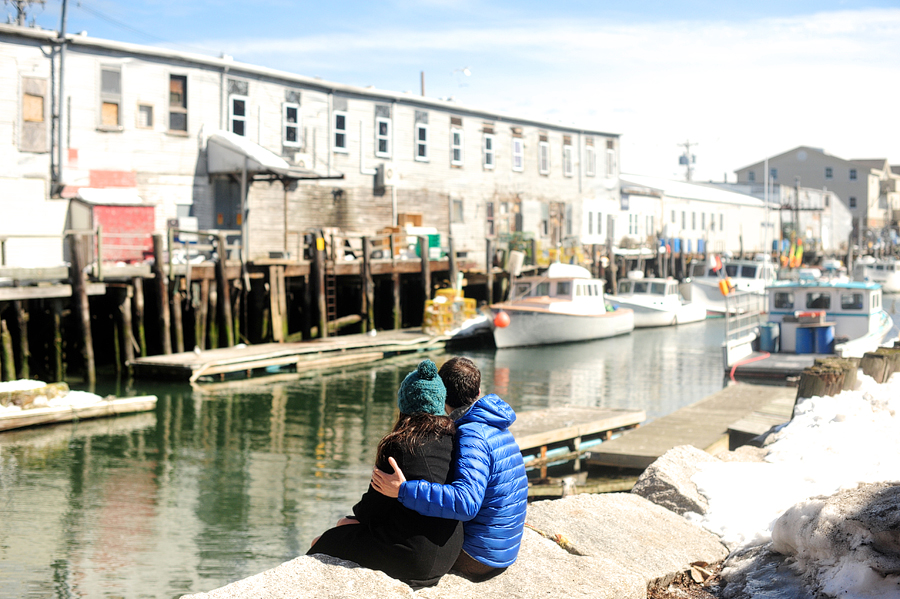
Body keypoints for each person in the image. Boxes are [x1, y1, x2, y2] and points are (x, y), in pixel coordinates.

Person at [307, 359, 463, 589]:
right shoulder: (454, 438)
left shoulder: (399, 445)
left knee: (324, 540)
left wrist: (353, 518)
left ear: (405, 402)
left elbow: (373, 509)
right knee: (345, 526)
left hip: (411, 558)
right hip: (448, 552)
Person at [371, 356, 528, 581]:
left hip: (479, 557)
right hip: (501, 549)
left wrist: (404, 490)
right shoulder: (494, 423)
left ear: (441, 394)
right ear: (479, 391)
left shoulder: (472, 434)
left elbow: (466, 503)